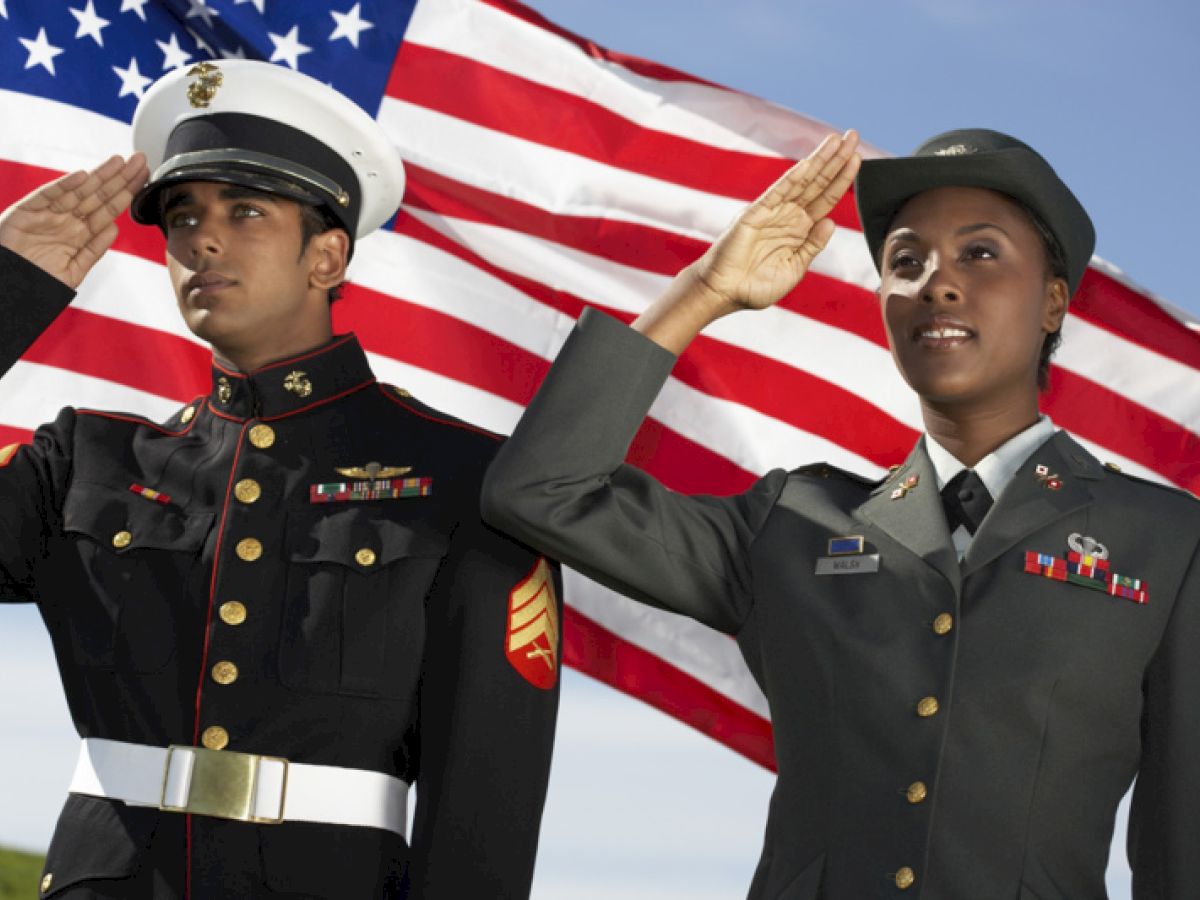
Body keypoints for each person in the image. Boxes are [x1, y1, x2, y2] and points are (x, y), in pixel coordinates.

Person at [483, 128, 1200, 897]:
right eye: (906, 261)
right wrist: (704, 291)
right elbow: (541, 492)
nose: (937, 283)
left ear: (1054, 300)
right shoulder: (792, 521)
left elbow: (1182, 843)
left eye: (980, 254)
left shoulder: (1164, 542)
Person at [0, 60, 560, 899]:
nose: (203, 239)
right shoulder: (85, 460)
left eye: (246, 211)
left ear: (328, 255)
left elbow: (487, 803)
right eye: (182, 216)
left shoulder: (465, 480)